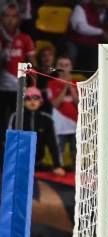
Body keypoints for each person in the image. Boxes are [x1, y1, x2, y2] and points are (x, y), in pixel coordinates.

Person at [7, 87, 65, 176]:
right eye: (28, 98)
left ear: (40, 101)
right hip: (18, 166)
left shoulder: (47, 120)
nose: (32, 101)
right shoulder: (16, 117)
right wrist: (10, 165)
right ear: (23, 102)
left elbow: (53, 144)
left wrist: (57, 165)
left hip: (39, 165)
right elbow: (10, 143)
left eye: (35, 98)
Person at [0, 3, 34, 132]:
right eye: (7, 16)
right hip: (1, 88)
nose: (10, 19)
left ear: (18, 19)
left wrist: (32, 87)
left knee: (18, 122)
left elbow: (32, 65)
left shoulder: (25, 39)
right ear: (1, 18)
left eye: (13, 16)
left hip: (18, 88)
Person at [46, 56, 79, 169]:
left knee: (77, 157)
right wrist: (65, 87)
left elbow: (79, 103)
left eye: (66, 65)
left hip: (76, 126)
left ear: (71, 67)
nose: (64, 68)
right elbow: (55, 104)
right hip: (59, 127)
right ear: (56, 67)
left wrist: (71, 86)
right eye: (61, 65)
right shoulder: (51, 84)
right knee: (58, 156)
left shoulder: (78, 83)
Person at [65, 0, 108, 72]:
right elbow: (81, 28)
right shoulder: (81, 8)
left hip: (95, 47)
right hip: (77, 44)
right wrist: (101, 32)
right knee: (71, 49)